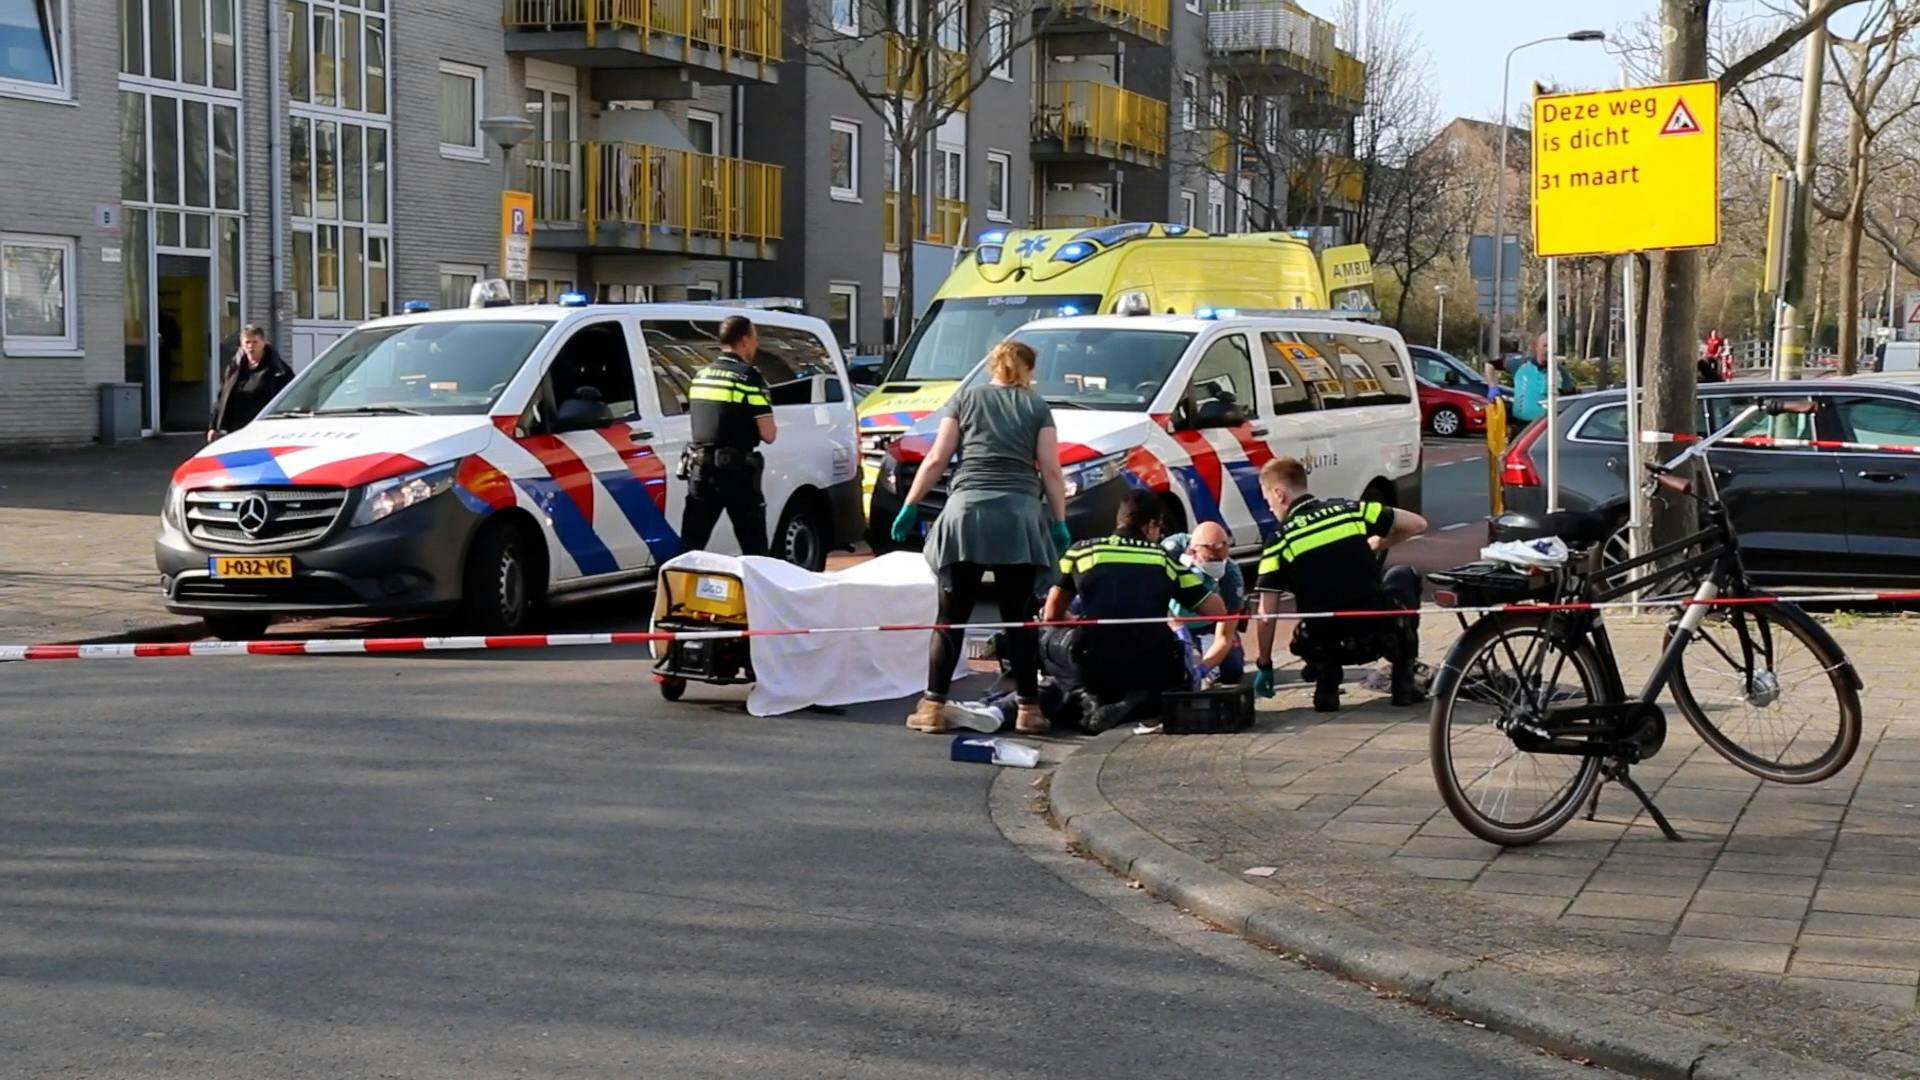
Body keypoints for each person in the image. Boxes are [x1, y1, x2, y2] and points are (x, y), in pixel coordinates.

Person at [892, 340, 1069, 735]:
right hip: (1019, 518)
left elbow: (938, 458)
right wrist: (1059, 522)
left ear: (992, 367)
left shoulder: (966, 399)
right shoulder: (1037, 407)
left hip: (965, 515)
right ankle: (1028, 710)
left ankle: (933, 708)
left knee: (950, 618)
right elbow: (1052, 470)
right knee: (1020, 619)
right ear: (1029, 370)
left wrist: (911, 503)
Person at [1250, 458, 1428, 711]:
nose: (1269, 508)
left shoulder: (1279, 541)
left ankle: (1327, 686)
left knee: (1315, 622)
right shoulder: (1349, 510)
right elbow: (1418, 524)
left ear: (1279, 494)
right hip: (1376, 633)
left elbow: (1266, 616)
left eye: (1267, 500)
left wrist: (1265, 665)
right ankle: (1403, 683)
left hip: (1323, 642)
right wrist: (1377, 543)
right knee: (1403, 574)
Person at [1044, 490, 1227, 733]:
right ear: (1151, 525)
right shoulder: (1162, 558)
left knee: (1047, 640)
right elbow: (1216, 610)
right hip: (1153, 665)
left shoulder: (1082, 551)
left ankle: (1087, 696)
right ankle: (1139, 701)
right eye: (1160, 528)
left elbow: (1051, 615)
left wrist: (1079, 621)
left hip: (1096, 663)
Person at [681, 315, 776, 557]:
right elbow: (769, 434)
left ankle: (679, 594)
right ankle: (756, 595)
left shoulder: (700, 376)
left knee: (691, 548)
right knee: (755, 550)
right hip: (738, 476)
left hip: (701, 471)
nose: (756, 344)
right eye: (754, 338)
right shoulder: (748, 377)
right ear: (744, 340)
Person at [1163, 522, 1246, 689]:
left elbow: (1224, 636)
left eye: (1221, 559)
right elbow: (1154, 597)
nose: (1217, 565)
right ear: (1193, 552)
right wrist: (1180, 632)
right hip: (1171, 624)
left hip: (1209, 627)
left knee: (1231, 670)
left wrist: (1202, 669)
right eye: (1210, 560)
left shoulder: (1231, 576)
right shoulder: (1170, 552)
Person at [207, 325, 293, 440]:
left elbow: (289, 399)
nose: (250, 346)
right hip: (235, 429)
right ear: (241, 344)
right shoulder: (235, 366)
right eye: (247, 342)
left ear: (264, 342)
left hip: (263, 430)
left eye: (255, 342)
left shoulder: (278, 369)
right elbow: (222, 395)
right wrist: (213, 426)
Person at [1509, 332, 1549, 429]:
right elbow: (1490, 365)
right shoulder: (1520, 364)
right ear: (1537, 347)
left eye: (1551, 346)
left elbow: (1569, 392)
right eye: (1545, 346)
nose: (1547, 350)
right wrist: (1493, 388)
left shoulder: (1558, 370)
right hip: (1520, 425)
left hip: (1545, 427)